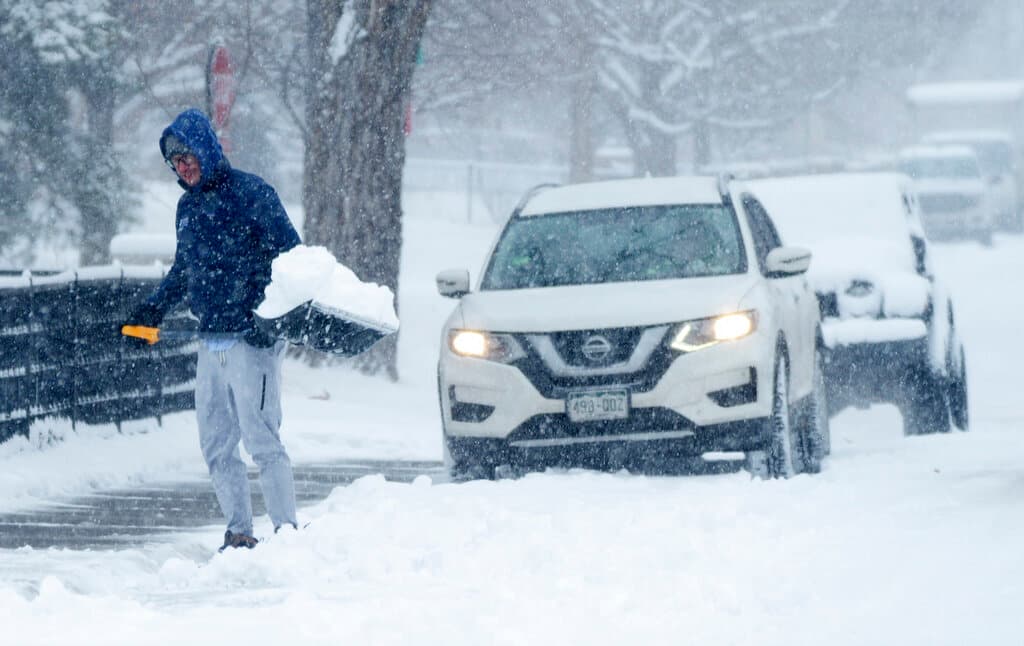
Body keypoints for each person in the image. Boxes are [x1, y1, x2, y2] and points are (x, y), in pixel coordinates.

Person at [123, 108, 301, 551]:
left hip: (251, 341)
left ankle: (288, 535)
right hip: (210, 340)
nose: (183, 167)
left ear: (206, 146)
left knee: (261, 438)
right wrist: (152, 311)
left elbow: (294, 261)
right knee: (217, 444)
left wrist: (270, 317)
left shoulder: (253, 194)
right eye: (175, 162)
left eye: (187, 156)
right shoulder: (187, 207)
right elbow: (184, 271)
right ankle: (239, 531)